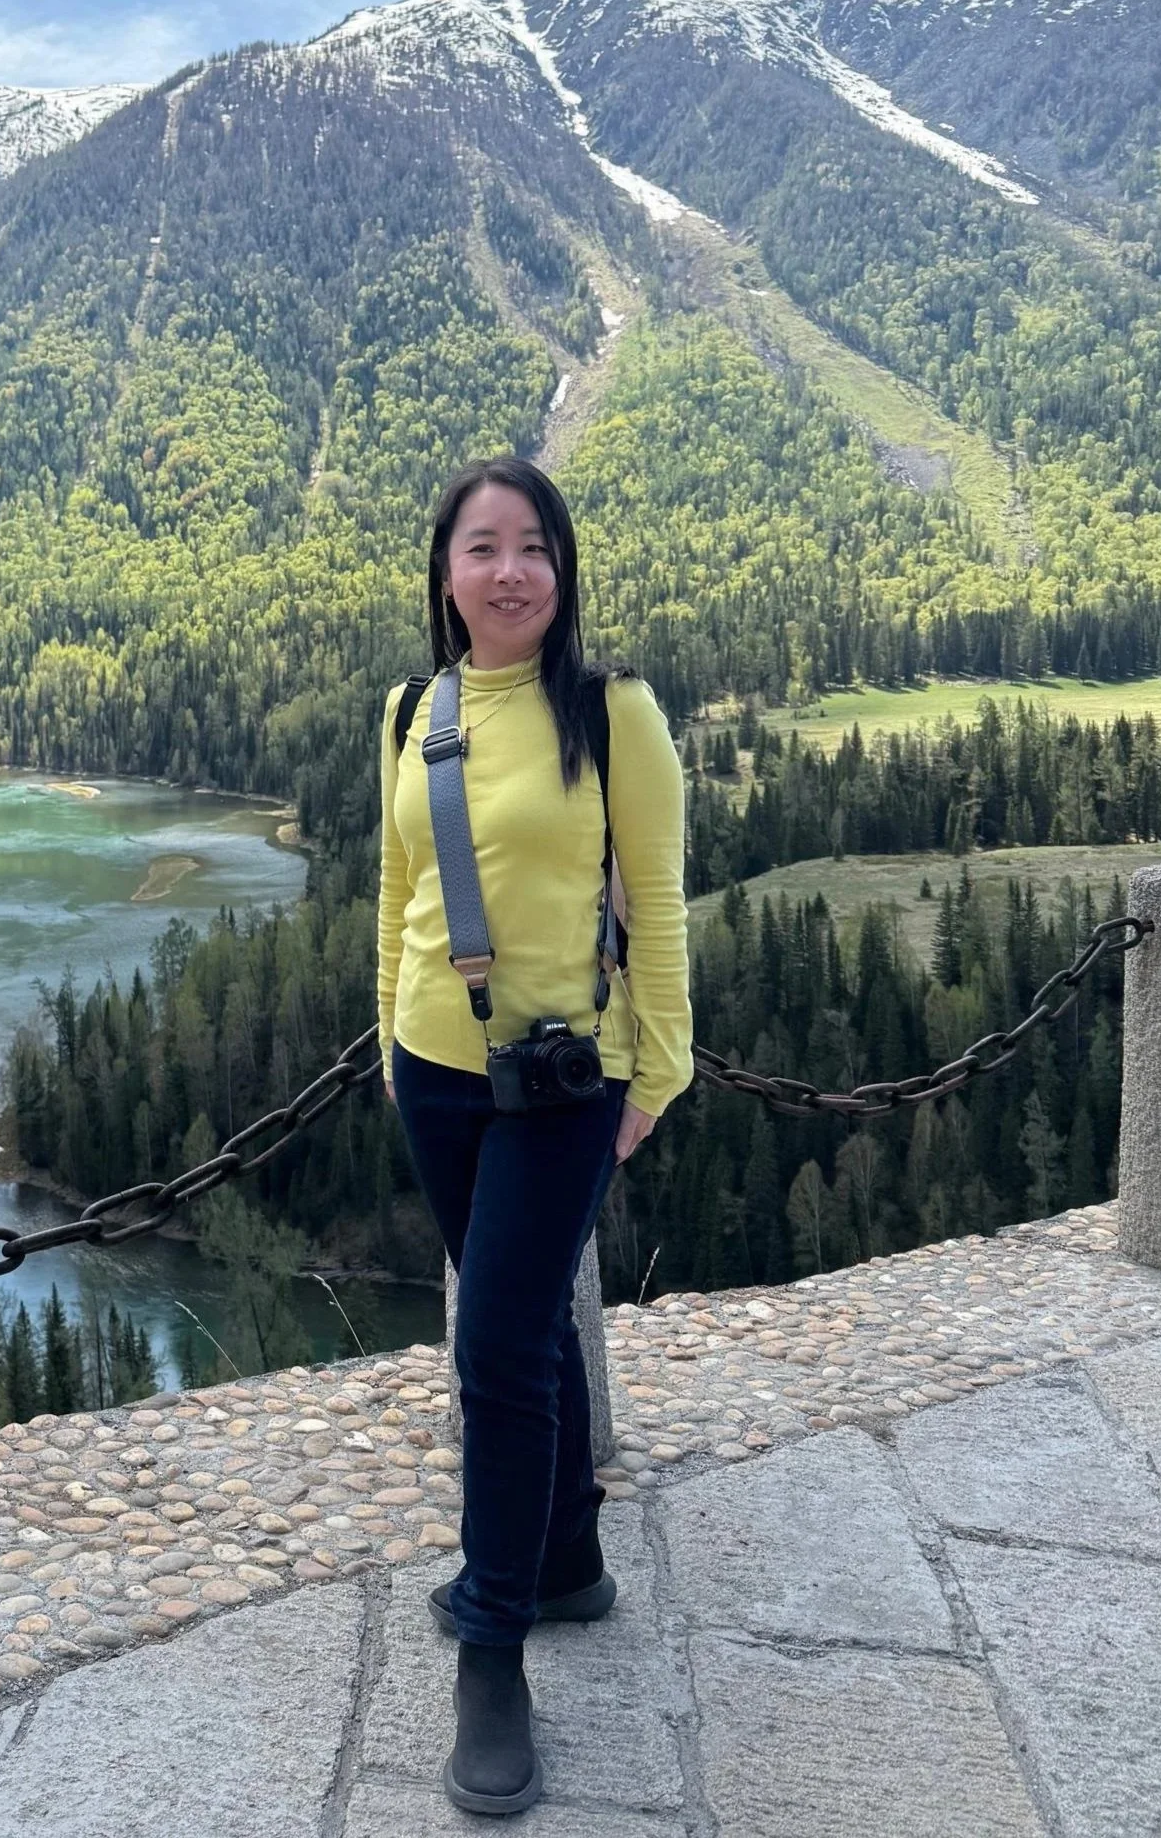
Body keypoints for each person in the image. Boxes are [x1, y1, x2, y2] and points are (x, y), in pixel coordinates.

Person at [377, 454, 693, 1815]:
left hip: (565, 1081)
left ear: (561, 570)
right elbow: (393, 889)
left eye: (533, 547)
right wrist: (382, 1043)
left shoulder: (614, 712)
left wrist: (655, 1075)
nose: (509, 571)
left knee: (494, 1345)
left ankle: (492, 1633)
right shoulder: (407, 708)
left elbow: (662, 909)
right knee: (530, 1330)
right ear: (444, 574)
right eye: (481, 546)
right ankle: (564, 1552)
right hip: (431, 1072)